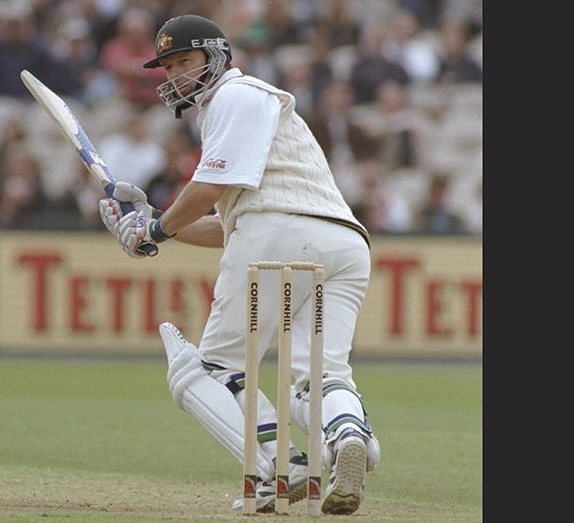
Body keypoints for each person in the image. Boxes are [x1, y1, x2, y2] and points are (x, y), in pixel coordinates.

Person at [98, 14, 381, 515]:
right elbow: (227, 224)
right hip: (342, 243)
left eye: (185, 61)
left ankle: (285, 468)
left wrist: (157, 230)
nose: (176, 75)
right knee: (318, 370)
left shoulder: (235, 95)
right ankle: (348, 438)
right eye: (168, 67)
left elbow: (211, 191)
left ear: (216, 56)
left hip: (279, 235)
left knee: (207, 370)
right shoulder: (242, 106)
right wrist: (151, 225)